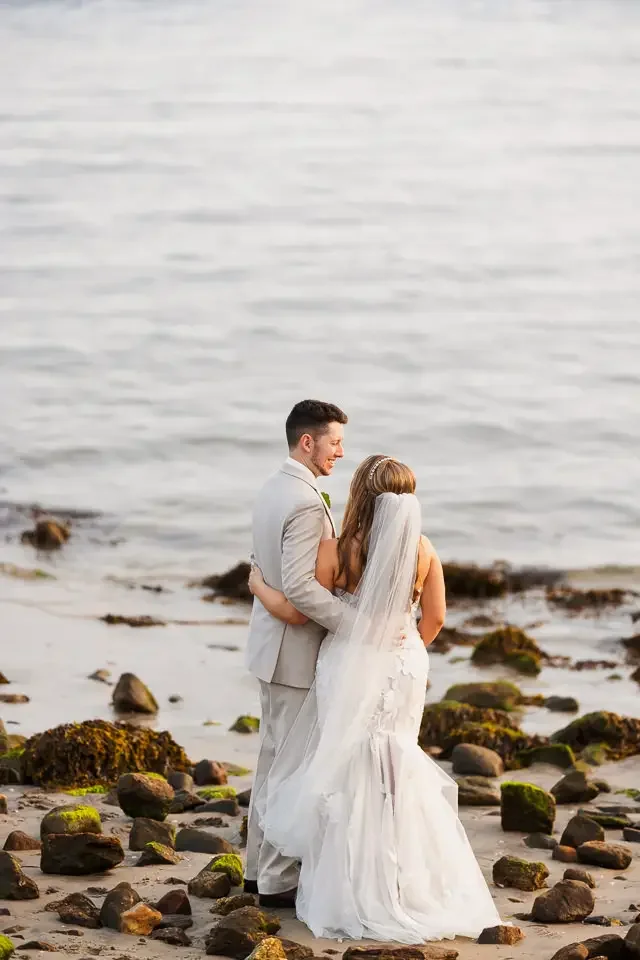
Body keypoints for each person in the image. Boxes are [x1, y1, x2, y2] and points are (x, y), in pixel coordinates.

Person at [248, 455, 502, 942]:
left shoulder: (335, 551)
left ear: (361, 496)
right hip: (405, 662)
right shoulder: (424, 550)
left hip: (348, 661)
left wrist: (259, 583)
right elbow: (437, 618)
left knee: (347, 761)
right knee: (396, 761)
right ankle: (404, 880)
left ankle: (347, 879)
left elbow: (301, 612)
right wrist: (402, 652)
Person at [244, 399, 349, 907]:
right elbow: (303, 592)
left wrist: (265, 594)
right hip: (293, 656)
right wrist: (356, 626)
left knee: (270, 762)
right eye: (334, 443)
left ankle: (253, 869)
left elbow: (261, 567)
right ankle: (276, 882)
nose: (340, 453)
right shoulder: (307, 501)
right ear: (308, 441)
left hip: (268, 649)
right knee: (289, 767)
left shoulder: (272, 487)